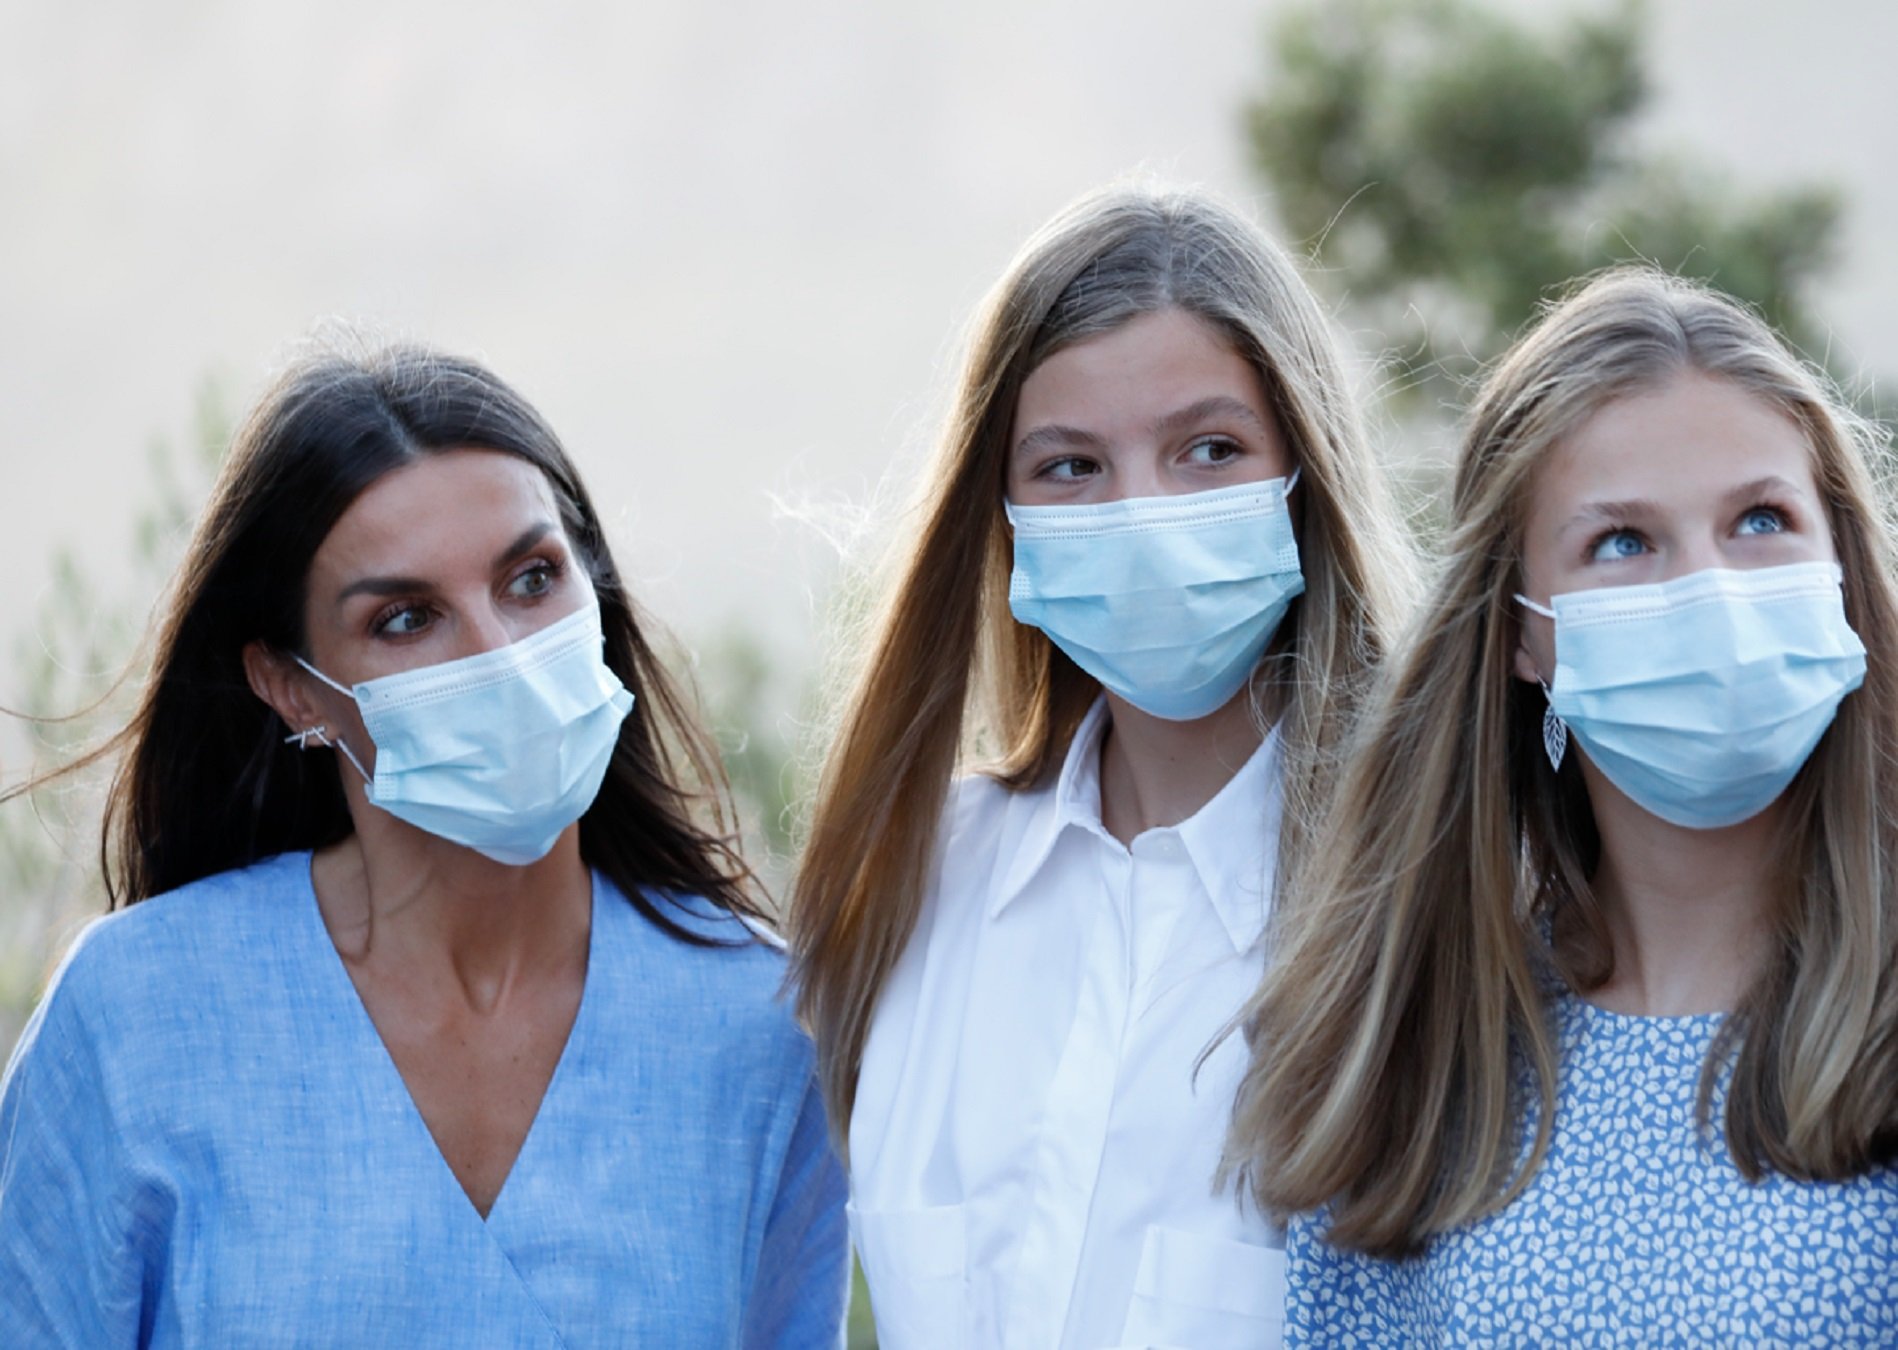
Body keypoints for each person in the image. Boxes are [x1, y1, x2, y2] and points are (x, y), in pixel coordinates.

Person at [0, 341, 848, 1346]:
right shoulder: (136, 1015)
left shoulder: (758, 1023)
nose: (500, 655)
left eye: (532, 580)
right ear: (292, 685)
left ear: (596, 588)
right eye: (406, 619)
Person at [787, 183, 1409, 1348]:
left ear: (1302, 476)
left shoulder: (1428, 899)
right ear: (1003, 511)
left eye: (1208, 450)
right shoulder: (916, 889)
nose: (1142, 513)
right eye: (1071, 467)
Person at [1227, 268, 1898, 1343]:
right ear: (1519, 634)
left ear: (1840, 567)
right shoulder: (1416, 1060)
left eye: (1760, 519)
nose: (1709, 590)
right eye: (1621, 543)